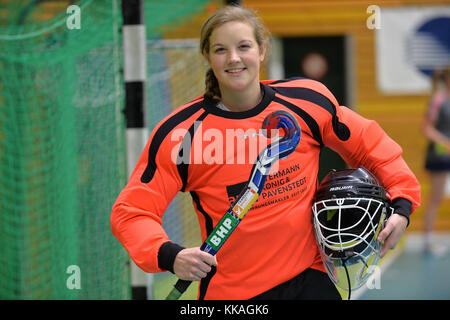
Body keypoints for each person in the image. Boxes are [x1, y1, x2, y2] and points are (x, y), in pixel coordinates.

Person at [111, 5, 421, 300]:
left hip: (309, 280)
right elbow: (132, 212)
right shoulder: (180, 135)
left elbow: (371, 147)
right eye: (221, 50)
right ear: (207, 56)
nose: (234, 58)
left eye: (244, 46)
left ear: (261, 50)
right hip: (233, 293)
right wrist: (169, 255)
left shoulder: (308, 101)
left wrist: (402, 204)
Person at [423, 67, 450, 255]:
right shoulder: (439, 99)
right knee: (436, 197)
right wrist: (445, 142)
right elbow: (426, 128)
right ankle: (428, 241)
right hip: (440, 155)